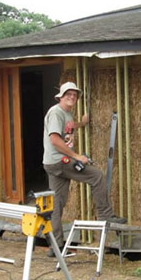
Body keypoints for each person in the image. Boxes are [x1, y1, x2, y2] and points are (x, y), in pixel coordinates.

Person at [43, 81, 126, 257]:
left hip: (52, 163)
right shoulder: (56, 112)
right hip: (61, 161)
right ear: (61, 96)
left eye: (75, 95)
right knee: (96, 176)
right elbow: (55, 140)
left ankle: (55, 245)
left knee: (57, 203)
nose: (72, 97)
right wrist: (77, 156)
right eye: (68, 94)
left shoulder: (66, 114)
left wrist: (81, 123)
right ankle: (105, 215)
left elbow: (69, 127)